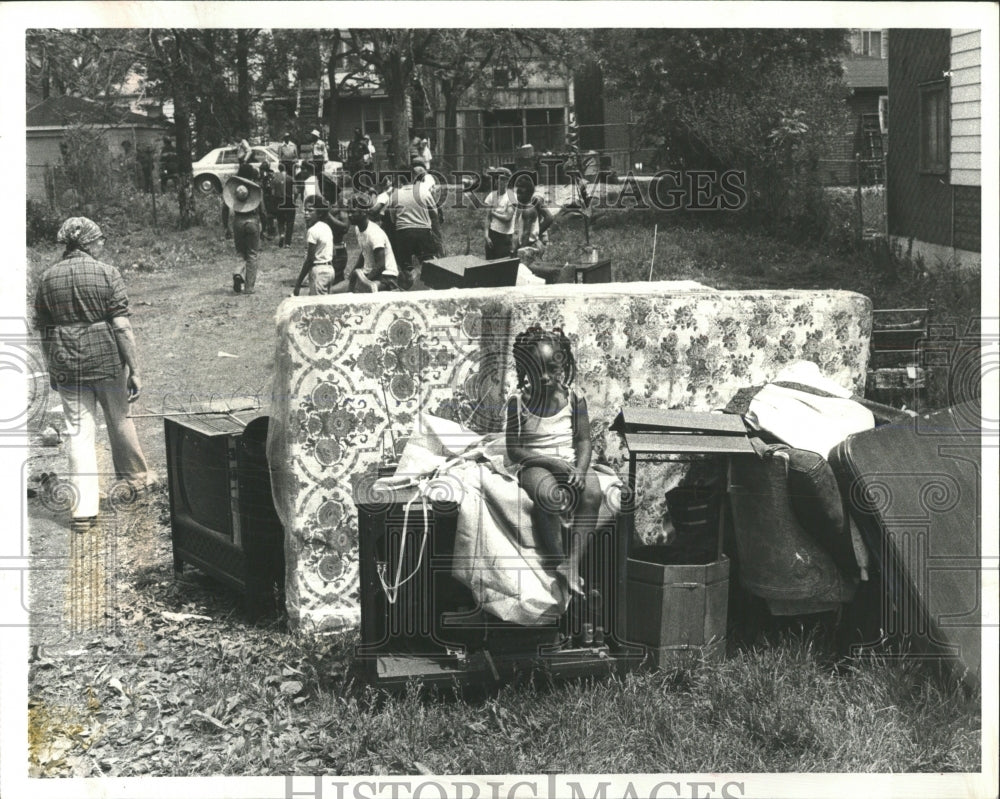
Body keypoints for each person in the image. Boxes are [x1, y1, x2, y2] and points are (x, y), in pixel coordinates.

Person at [33, 217, 156, 533]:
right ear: (86, 243)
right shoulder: (107, 273)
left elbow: (45, 332)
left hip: (66, 362)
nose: (103, 244)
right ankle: (137, 487)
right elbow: (122, 327)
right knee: (119, 420)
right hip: (106, 360)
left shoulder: (47, 279)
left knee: (78, 432)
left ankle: (83, 512)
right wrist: (136, 369)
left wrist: (52, 368)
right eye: (100, 239)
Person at [505, 326, 603, 596]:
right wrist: (550, 463)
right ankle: (558, 560)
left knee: (593, 492)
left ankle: (572, 564)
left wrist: (581, 471)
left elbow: (583, 441)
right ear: (525, 370)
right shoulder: (518, 402)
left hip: (570, 461)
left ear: (562, 365)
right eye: (537, 371)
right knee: (550, 496)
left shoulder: (574, 398)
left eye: (552, 368)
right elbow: (514, 450)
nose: (546, 377)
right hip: (534, 463)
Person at [388, 159, 438, 288]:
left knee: (405, 266)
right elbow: (434, 213)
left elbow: (393, 220)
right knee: (429, 263)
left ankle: (408, 286)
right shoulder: (423, 192)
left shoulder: (394, 195)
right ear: (413, 177)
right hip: (423, 232)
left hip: (403, 233)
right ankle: (429, 286)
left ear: (400, 179)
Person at [293, 199, 346, 296]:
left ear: (319, 213)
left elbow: (310, 259)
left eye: (310, 211)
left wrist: (298, 282)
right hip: (330, 270)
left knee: (319, 306)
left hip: (319, 271)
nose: (306, 213)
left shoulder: (312, 231)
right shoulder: (327, 227)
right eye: (305, 210)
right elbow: (333, 252)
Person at [224, 174, 265, 294]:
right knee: (252, 254)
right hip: (253, 222)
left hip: (238, 222)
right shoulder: (256, 193)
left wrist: (226, 226)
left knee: (240, 252)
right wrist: (266, 227)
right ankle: (249, 287)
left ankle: (238, 273)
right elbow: (263, 212)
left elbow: (224, 210)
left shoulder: (233, 195)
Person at [348, 202, 399, 292]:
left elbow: (381, 265)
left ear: (363, 212)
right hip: (371, 273)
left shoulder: (374, 233)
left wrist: (364, 281)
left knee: (364, 290)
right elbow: (364, 253)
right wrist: (353, 272)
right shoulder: (358, 228)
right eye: (348, 212)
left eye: (352, 212)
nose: (349, 215)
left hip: (386, 276)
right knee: (341, 291)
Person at [483, 167, 516, 259]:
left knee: (503, 263)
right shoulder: (492, 196)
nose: (499, 182)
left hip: (505, 236)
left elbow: (507, 218)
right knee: (489, 263)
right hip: (493, 234)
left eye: (502, 180)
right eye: (497, 179)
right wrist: (486, 235)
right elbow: (487, 217)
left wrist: (493, 213)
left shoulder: (511, 197)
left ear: (507, 181)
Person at [272, 163, 296, 248]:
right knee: (290, 222)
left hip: (279, 201)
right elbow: (295, 191)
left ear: (279, 169)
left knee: (280, 220)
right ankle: (287, 243)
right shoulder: (290, 178)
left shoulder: (275, 179)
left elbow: (273, 193)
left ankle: (282, 233)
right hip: (289, 201)